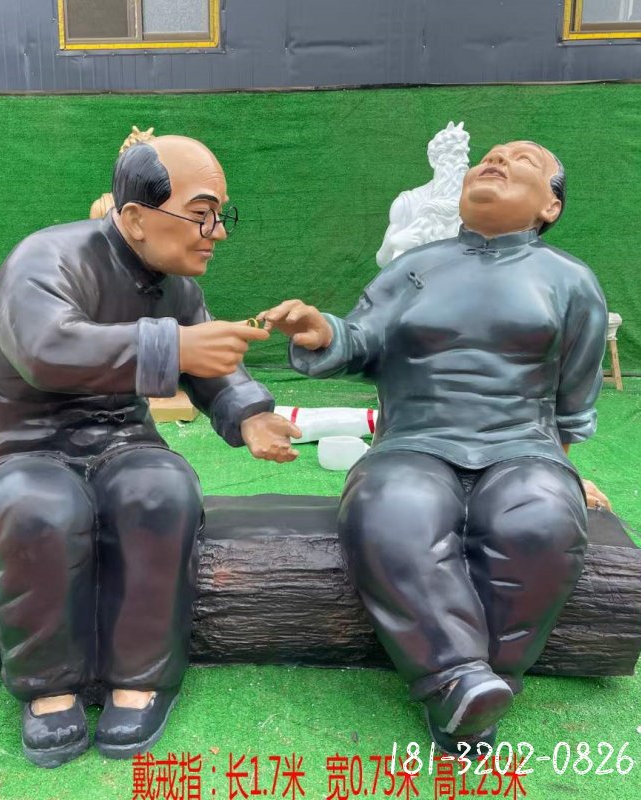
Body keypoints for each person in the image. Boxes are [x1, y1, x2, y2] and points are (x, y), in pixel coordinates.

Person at [259, 141, 608, 755]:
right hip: (415, 441)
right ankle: (459, 681)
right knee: (391, 508)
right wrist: (323, 331)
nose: (498, 160)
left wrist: (566, 469)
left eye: (523, 160)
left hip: (522, 445)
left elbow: (573, 396)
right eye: (491, 155)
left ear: (550, 207)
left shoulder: (571, 280)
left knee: (541, 518)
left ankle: (490, 680)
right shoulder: (414, 268)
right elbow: (361, 337)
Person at [0, 136, 300, 768]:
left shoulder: (175, 284)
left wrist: (249, 413)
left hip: (123, 440)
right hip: (26, 445)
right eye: (201, 214)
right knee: (37, 509)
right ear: (135, 217)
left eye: (219, 215)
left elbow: (210, 363)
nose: (216, 233)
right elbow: (46, 350)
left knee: (161, 493)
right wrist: (173, 348)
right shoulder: (45, 257)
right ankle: (48, 687)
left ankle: (142, 676)